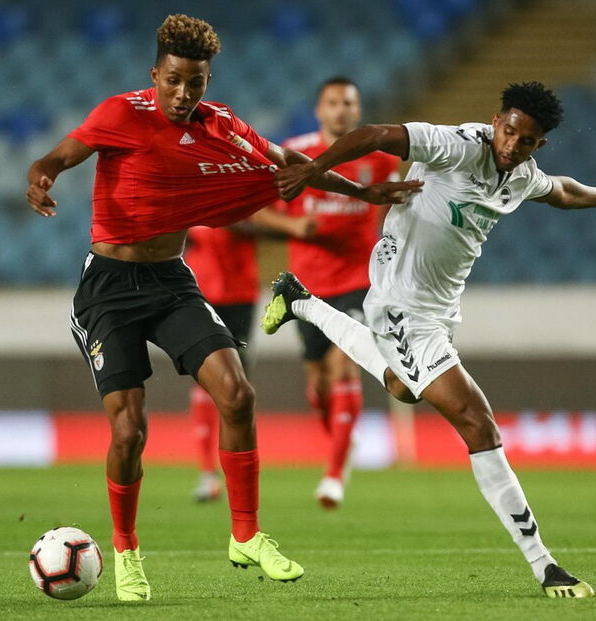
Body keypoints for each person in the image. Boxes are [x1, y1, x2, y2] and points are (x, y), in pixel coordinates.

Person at [25, 14, 419, 602]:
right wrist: (41, 177)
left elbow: (290, 163)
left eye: (197, 82)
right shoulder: (120, 115)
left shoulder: (222, 127)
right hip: (109, 288)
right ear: (155, 74)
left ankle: (246, 536)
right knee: (130, 431)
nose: (184, 94)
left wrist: (364, 192)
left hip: (170, 281)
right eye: (174, 80)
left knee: (237, 393)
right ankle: (127, 552)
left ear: (208, 80)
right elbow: (57, 157)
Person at [262, 81, 596, 599]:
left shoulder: (521, 175)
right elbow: (374, 134)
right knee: (477, 422)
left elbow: (562, 191)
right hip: (400, 300)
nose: (512, 145)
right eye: (508, 131)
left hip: (441, 310)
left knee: (402, 386)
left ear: (539, 144)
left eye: (526, 140)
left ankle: (299, 300)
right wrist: (312, 171)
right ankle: (545, 565)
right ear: (495, 122)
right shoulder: (457, 145)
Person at [270, 77, 400, 509]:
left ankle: (333, 475)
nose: (341, 110)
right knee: (318, 384)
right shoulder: (294, 152)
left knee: (344, 366)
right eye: (333, 102)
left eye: (348, 103)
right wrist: (292, 226)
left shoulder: (379, 160)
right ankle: (343, 440)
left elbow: (394, 211)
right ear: (319, 110)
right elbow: (262, 209)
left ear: (358, 110)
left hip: (357, 282)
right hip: (306, 288)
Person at [185, 214, 314, 503]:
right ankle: (207, 473)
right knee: (202, 379)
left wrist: (235, 220)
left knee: (236, 386)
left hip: (239, 293)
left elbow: (266, 225)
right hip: (200, 292)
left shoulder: (240, 195)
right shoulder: (191, 194)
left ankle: (234, 472)